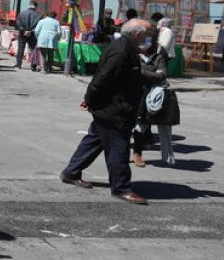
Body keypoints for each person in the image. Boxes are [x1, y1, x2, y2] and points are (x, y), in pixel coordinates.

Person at [60, 20, 160, 205]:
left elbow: (128, 75)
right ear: (137, 34)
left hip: (111, 106)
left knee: (94, 139)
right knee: (118, 149)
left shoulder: (127, 47)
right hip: (114, 108)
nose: (148, 37)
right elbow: (102, 78)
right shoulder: (121, 50)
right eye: (146, 33)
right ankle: (121, 187)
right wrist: (89, 99)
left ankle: (71, 172)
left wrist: (152, 77)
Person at [132, 33, 178, 167]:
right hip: (137, 95)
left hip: (155, 95)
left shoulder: (158, 56)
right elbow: (135, 73)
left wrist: (143, 74)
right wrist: (153, 74)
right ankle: (136, 152)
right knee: (138, 126)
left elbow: (162, 74)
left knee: (158, 126)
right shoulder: (133, 55)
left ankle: (166, 157)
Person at [14, 0, 41, 69]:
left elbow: (18, 23)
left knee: (20, 49)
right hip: (32, 35)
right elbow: (38, 26)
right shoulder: (39, 15)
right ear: (36, 6)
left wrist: (24, 31)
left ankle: (18, 64)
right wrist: (30, 31)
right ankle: (33, 65)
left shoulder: (22, 13)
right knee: (32, 49)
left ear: (29, 5)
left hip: (22, 34)